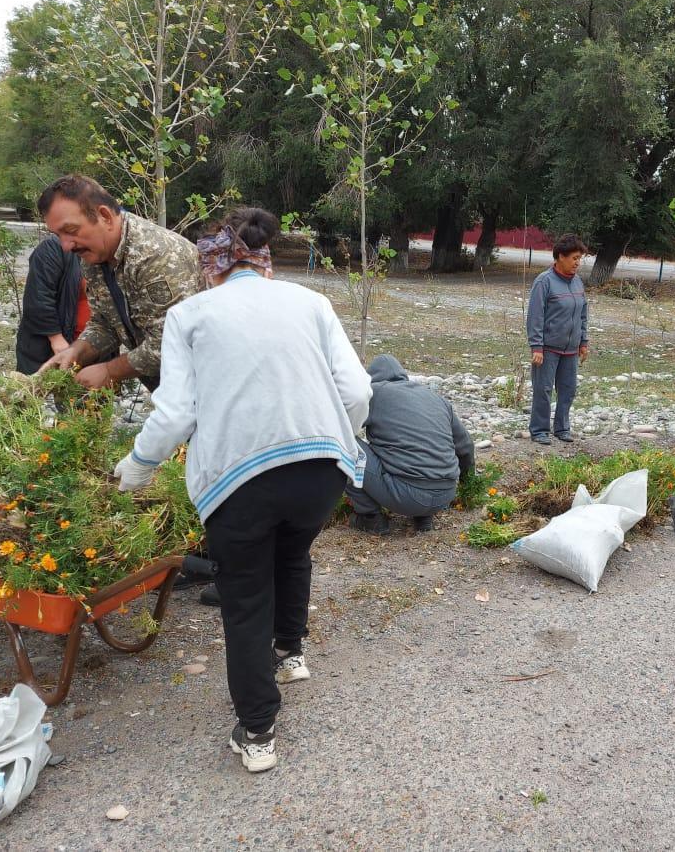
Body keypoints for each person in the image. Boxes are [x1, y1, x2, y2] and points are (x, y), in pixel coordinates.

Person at [112, 207, 371, 773]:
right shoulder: (312, 302)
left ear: (210, 267)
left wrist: (137, 466)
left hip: (239, 480)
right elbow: (356, 389)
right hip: (320, 469)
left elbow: (177, 413)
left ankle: (258, 733)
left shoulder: (189, 316)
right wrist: (341, 439)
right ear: (265, 260)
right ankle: (291, 653)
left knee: (245, 595)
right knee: (294, 552)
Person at [35, 174, 203, 391]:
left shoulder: (157, 256)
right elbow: (106, 322)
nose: (65, 246)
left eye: (71, 231)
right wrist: (76, 351)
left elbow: (170, 344)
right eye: (58, 235)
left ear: (104, 216)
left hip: (210, 387)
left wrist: (109, 371)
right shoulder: (96, 254)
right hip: (173, 390)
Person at [346, 354, 475, 535]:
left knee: (342, 442)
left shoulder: (374, 394)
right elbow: (466, 446)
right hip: (445, 495)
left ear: (370, 378)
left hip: (406, 497)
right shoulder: (435, 398)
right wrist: (468, 485)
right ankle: (423, 517)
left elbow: (345, 427)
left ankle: (371, 519)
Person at [526, 234, 589, 444]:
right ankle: (539, 430)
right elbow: (535, 316)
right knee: (543, 390)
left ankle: (562, 428)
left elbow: (583, 314)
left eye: (579, 258)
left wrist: (584, 342)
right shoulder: (544, 282)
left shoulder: (578, 282)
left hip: (571, 349)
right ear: (560, 257)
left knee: (568, 390)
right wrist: (536, 346)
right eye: (574, 258)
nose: (577, 263)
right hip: (548, 348)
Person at [15, 234, 89, 374]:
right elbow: (38, 298)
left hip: (91, 347)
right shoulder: (53, 247)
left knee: (90, 393)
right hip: (53, 344)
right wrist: (56, 338)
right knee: (47, 387)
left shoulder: (102, 252)